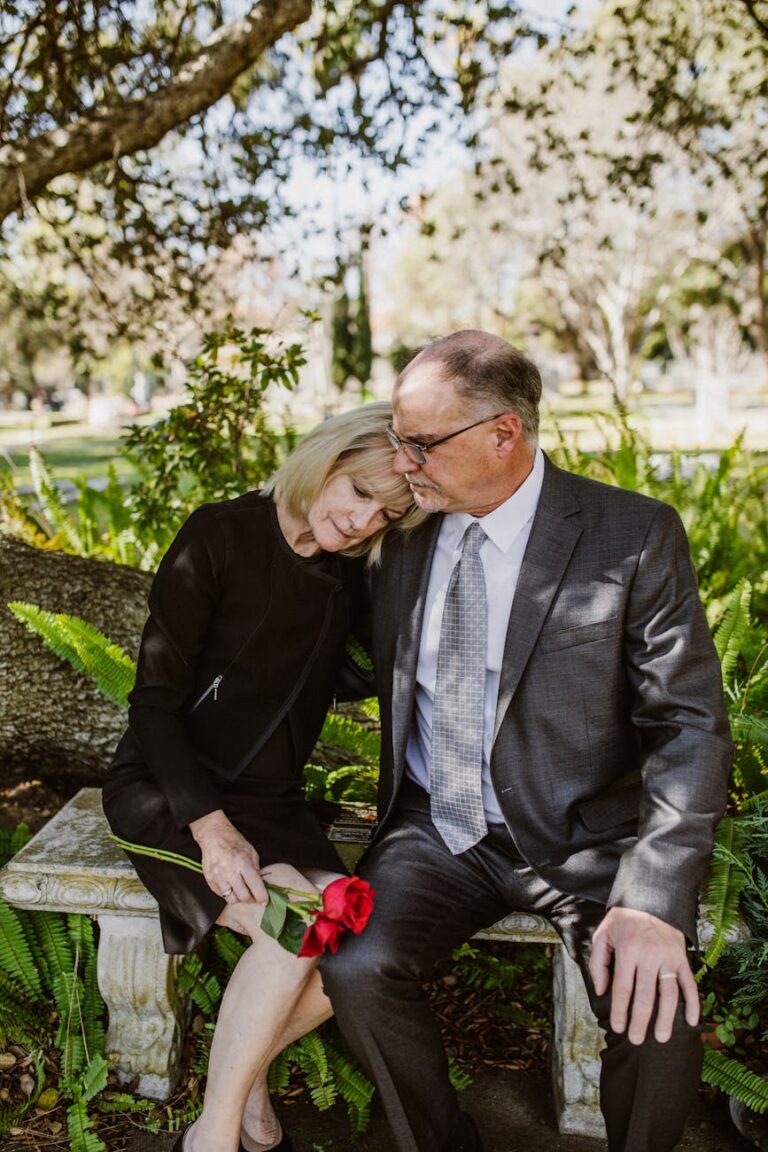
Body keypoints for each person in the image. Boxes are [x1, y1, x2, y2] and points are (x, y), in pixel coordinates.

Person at [319, 331, 734, 1152]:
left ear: (504, 434)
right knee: (356, 968)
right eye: (399, 440)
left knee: (659, 1015)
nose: (403, 463)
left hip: (591, 841)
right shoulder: (399, 538)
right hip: (437, 832)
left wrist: (653, 902)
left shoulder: (630, 535)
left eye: (421, 443)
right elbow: (333, 653)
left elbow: (687, 723)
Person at [102, 402, 426, 1152]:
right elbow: (152, 701)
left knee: (350, 938)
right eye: (358, 492)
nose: (363, 521)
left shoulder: (350, 574)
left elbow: (347, 667)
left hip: (271, 799)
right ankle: (212, 1135)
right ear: (325, 459)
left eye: (386, 512)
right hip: (171, 789)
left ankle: (242, 1082)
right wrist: (210, 829)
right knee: (298, 930)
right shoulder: (219, 535)